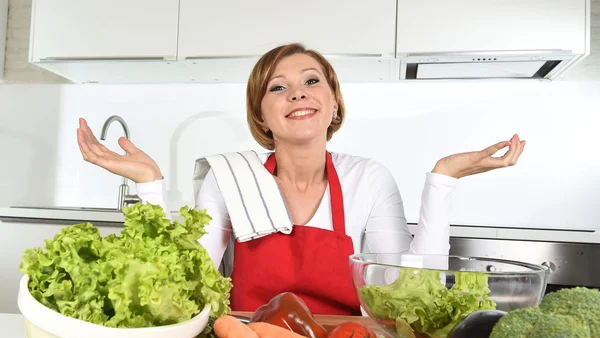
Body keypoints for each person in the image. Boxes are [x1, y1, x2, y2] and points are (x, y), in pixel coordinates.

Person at [76, 43, 525, 316]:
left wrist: (442, 181)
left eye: (312, 81)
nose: (297, 92)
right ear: (262, 116)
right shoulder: (231, 178)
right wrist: (150, 186)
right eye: (277, 87)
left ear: (333, 104)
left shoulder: (368, 179)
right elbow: (184, 279)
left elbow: (404, 291)